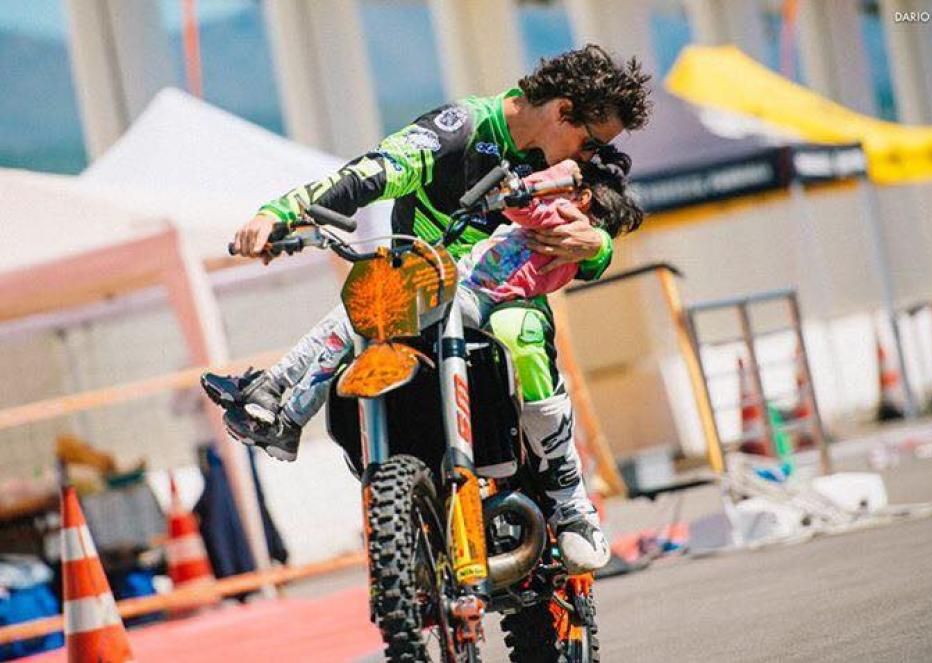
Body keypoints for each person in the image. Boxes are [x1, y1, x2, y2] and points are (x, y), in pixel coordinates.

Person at [215, 45, 652, 573]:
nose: (589, 158)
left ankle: (571, 507)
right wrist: (278, 214)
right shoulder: (461, 128)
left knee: (518, 330)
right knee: (374, 298)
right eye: (590, 143)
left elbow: (606, 215)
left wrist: (596, 245)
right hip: (418, 296)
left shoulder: (569, 167)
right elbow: (371, 172)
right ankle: (296, 416)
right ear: (563, 111)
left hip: (505, 310)